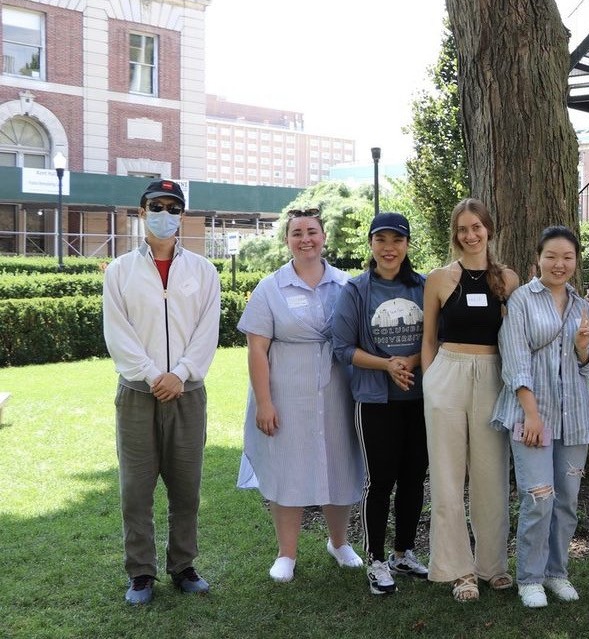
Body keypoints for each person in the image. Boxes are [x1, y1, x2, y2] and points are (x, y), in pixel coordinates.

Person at [102, 179, 220, 605]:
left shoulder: (204, 271)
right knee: (136, 489)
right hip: (137, 393)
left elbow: (208, 332)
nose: (164, 213)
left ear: (182, 216)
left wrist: (181, 373)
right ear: (141, 211)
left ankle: (183, 565)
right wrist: (154, 375)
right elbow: (119, 334)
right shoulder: (119, 271)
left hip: (187, 394)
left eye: (173, 207)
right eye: (157, 205)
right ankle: (141, 573)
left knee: (186, 488)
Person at [236, 206, 364, 583]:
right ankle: (286, 553)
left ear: (324, 237)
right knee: (287, 465)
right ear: (287, 240)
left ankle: (339, 543)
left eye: (312, 231)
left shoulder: (347, 285)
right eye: (297, 233)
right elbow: (257, 349)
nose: (305, 238)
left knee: (339, 463)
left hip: (338, 389)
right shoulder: (270, 288)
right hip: (286, 391)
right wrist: (264, 402)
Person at [491, 226, 589, 609]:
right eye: (551, 256)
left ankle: (557, 572)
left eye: (567, 257)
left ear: (575, 261)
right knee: (539, 498)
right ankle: (530, 578)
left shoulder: (582, 304)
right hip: (531, 416)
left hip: (575, 419)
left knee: (566, 500)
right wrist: (532, 415)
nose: (559, 264)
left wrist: (582, 349)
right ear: (538, 258)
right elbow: (515, 360)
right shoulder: (521, 300)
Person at [420, 198, 519, 602]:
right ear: (455, 234)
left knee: (491, 474)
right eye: (462, 228)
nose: (470, 234)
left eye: (476, 226)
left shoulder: (508, 280)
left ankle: (492, 565)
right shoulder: (440, 279)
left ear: (489, 230)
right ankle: (457, 569)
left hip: (493, 376)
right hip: (448, 374)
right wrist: (431, 383)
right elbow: (428, 339)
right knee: (446, 476)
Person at [332, 212, 430, 596]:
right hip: (375, 400)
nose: (390, 248)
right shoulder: (356, 291)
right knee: (380, 480)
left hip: (419, 398)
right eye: (382, 240)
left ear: (407, 245)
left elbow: (435, 338)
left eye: (397, 240)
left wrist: (410, 363)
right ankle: (375, 559)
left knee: (413, 478)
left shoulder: (422, 287)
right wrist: (387, 365)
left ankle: (403, 553)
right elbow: (342, 348)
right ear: (371, 244)